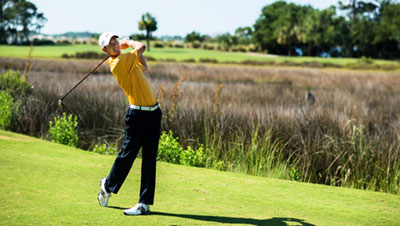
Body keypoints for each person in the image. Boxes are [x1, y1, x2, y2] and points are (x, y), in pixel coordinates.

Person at [97, 31, 162, 216]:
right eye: (111, 44)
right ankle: (107, 185)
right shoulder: (118, 63)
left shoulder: (127, 60)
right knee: (128, 156)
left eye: (116, 41)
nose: (116, 44)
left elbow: (144, 66)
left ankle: (144, 204)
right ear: (105, 50)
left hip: (154, 113)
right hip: (137, 116)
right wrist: (130, 42)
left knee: (150, 159)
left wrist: (127, 47)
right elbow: (142, 47)